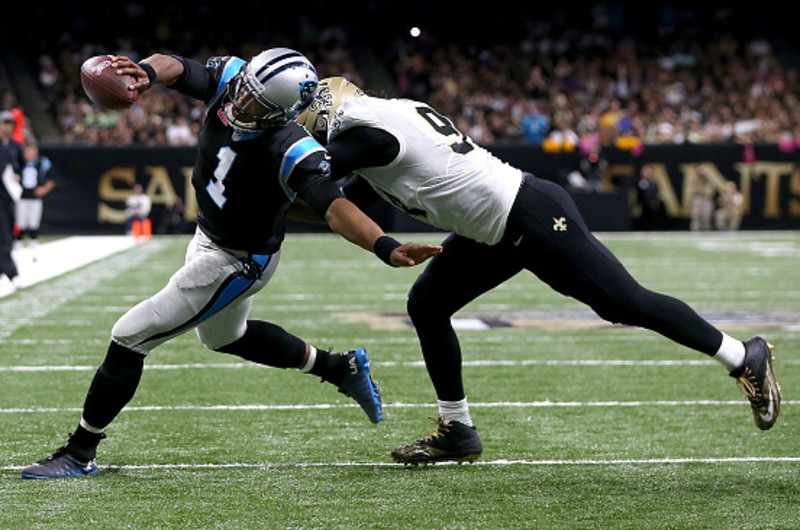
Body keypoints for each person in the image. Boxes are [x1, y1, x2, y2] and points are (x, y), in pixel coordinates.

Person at [299, 77, 782, 465]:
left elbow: (312, 174)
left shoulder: (369, 133)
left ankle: (743, 355)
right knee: (427, 303)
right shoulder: (378, 128)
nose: (311, 137)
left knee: (623, 302)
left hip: (527, 213)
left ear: (328, 114)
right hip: (495, 227)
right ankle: (457, 429)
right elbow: (331, 201)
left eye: (311, 127)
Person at [20, 50, 441, 479]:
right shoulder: (239, 82)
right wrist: (146, 73)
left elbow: (333, 207)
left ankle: (80, 451)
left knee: (129, 336)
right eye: (245, 90)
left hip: (236, 261)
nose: (240, 102)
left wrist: (384, 245)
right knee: (225, 337)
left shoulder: (291, 146)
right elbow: (179, 66)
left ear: (283, 113)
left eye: (255, 101)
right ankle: (340, 367)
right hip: (208, 236)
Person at [15, 142, 56, 261]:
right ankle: (18, 245)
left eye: (32, 150)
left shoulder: (43, 163)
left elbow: (52, 179)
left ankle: (34, 245)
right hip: (21, 197)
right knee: (21, 222)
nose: (30, 153)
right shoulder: (19, 163)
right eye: (27, 151)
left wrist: (44, 189)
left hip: (35, 198)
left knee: (34, 222)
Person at [0, 110, 24, 291]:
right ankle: (11, 272)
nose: (7, 127)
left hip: (9, 199)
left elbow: (22, 169)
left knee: (7, 234)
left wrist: (18, 177)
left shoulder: (16, 147)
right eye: (4, 123)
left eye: (9, 124)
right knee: (5, 236)